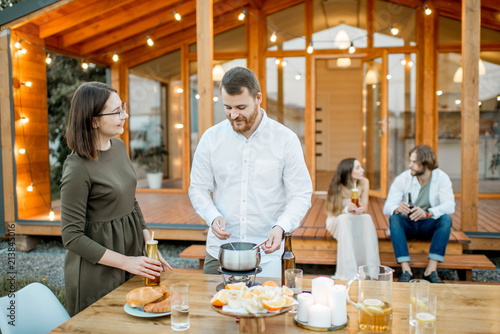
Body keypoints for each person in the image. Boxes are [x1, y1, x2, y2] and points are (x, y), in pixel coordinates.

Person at [189, 67, 313, 277]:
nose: (233, 114)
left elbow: (300, 194)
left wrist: (281, 227)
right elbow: (198, 189)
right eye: (227, 107)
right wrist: (212, 216)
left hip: (267, 255)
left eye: (241, 107)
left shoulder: (285, 140)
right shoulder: (211, 139)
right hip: (220, 252)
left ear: (258, 98)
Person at [60, 82, 171, 316]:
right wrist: (125, 262)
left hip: (130, 256)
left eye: (123, 107)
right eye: (116, 111)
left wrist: (149, 247)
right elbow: (71, 237)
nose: (125, 115)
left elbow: (131, 202)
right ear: (93, 120)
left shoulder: (119, 146)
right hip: (97, 270)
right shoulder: (77, 167)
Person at [383, 145, 455, 283]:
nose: (410, 165)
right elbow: (387, 207)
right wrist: (397, 208)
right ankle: (406, 270)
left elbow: (450, 206)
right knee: (394, 218)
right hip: (408, 225)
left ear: (426, 164)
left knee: (446, 219)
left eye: (414, 162)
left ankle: (431, 270)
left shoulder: (442, 178)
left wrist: (427, 213)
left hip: (428, 226)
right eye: (410, 161)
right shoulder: (404, 178)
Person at [325, 158, 380, 280]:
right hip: (338, 218)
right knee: (345, 219)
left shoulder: (364, 182)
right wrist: (346, 209)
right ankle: (349, 272)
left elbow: (365, 207)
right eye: (358, 168)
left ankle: (370, 269)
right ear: (348, 171)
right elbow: (332, 211)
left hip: (356, 217)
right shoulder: (337, 184)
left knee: (367, 218)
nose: (362, 170)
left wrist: (361, 209)